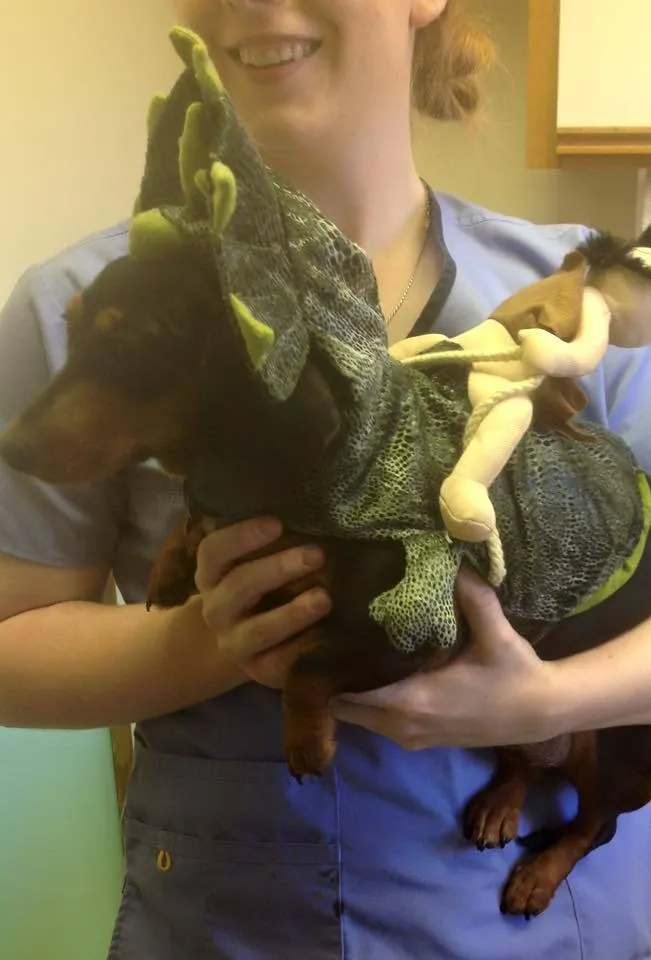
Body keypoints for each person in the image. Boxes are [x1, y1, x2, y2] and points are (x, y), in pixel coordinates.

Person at [2, 1, 651, 957]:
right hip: (229, 920)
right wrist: (209, 641)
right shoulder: (86, 306)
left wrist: (537, 707)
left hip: (545, 923)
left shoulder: (577, 307)